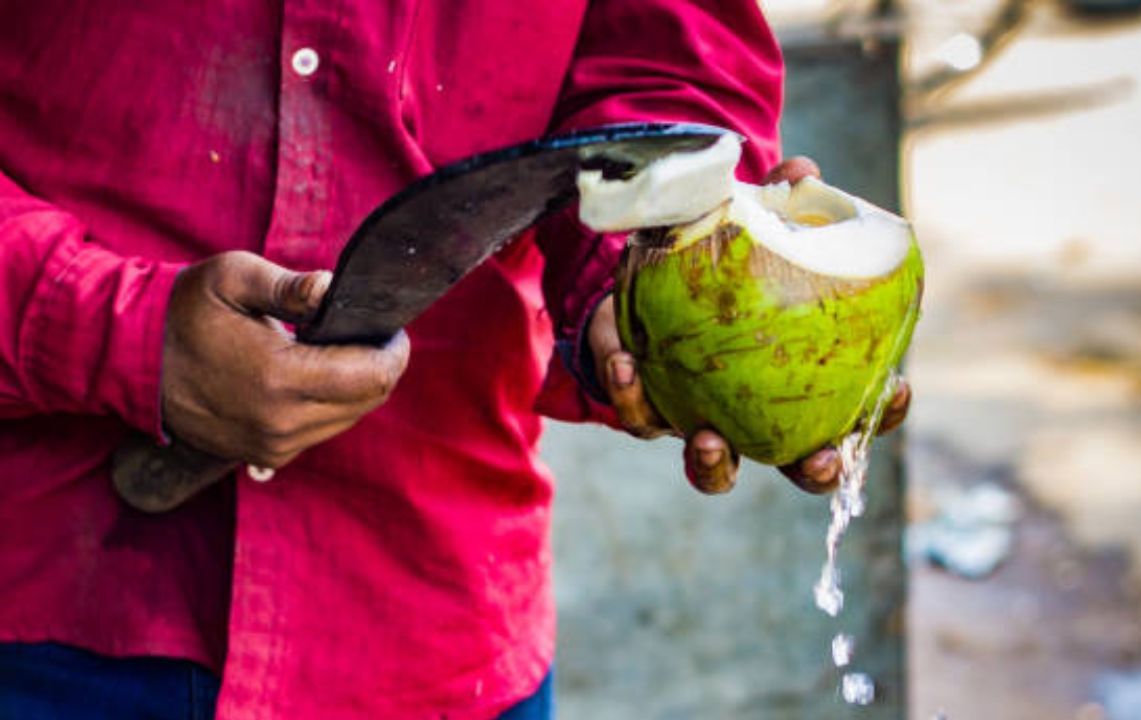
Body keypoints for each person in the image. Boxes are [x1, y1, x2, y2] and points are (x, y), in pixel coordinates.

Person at [0, 1, 909, 717]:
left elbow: (664, 62)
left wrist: (639, 283)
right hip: (47, 608)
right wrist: (99, 326)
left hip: (433, 621)